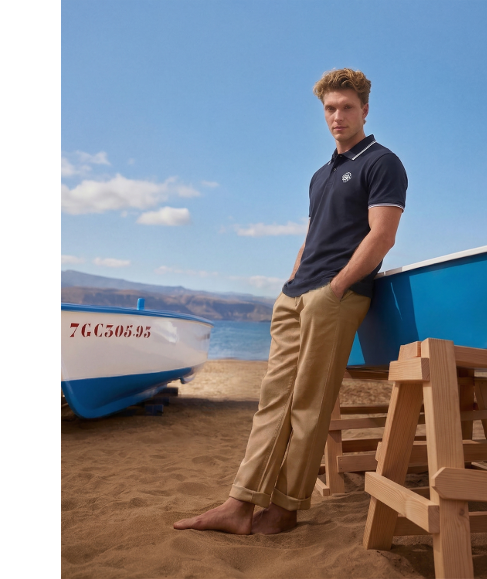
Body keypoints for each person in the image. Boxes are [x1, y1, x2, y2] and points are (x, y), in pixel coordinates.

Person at [174, 68, 407, 535]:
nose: (337, 116)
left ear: (364, 109)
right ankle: (239, 503)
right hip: (296, 295)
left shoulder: (383, 162)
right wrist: (292, 279)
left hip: (334, 298)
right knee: (272, 401)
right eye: (329, 109)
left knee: (309, 404)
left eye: (346, 107)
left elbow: (382, 236)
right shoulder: (320, 175)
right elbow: (313, 234)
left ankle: (285, 507)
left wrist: (336, 287)